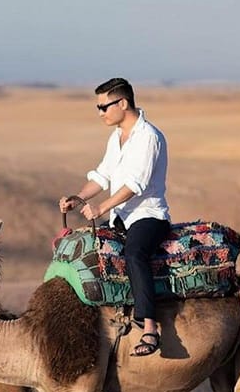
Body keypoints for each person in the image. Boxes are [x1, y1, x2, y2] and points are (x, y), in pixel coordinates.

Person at [59, 77, 171, 356]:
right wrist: (79, 198)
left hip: (148, 216)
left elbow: (136, 184)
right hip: (120, 218)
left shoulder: (149, 137)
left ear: (122, 103)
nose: (100, 113)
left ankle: (149, 327)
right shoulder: (116, 137)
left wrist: (101, 208)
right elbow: (102, 175)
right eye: (98, 108)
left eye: (104, 107)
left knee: (134, 255)